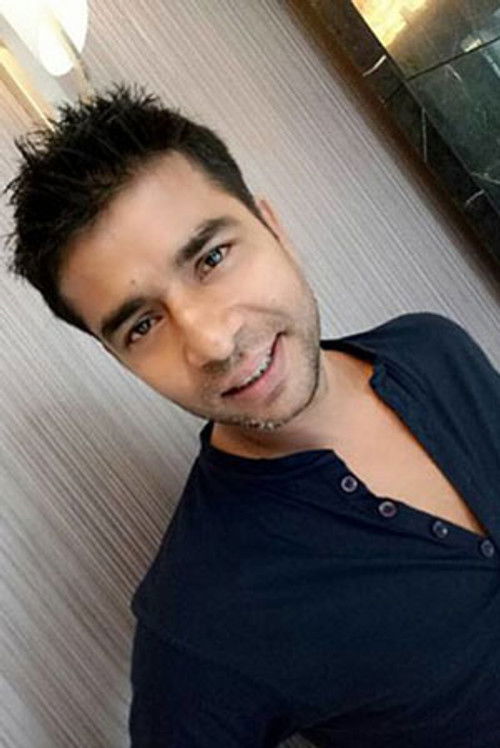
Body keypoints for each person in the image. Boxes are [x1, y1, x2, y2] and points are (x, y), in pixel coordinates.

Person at [4, 83, 500, 748]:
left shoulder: (431, 346)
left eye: (212, 258)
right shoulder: (198, 620)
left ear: (273, 227)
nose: (211, 341)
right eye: (143, 325)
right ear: (119, 358)